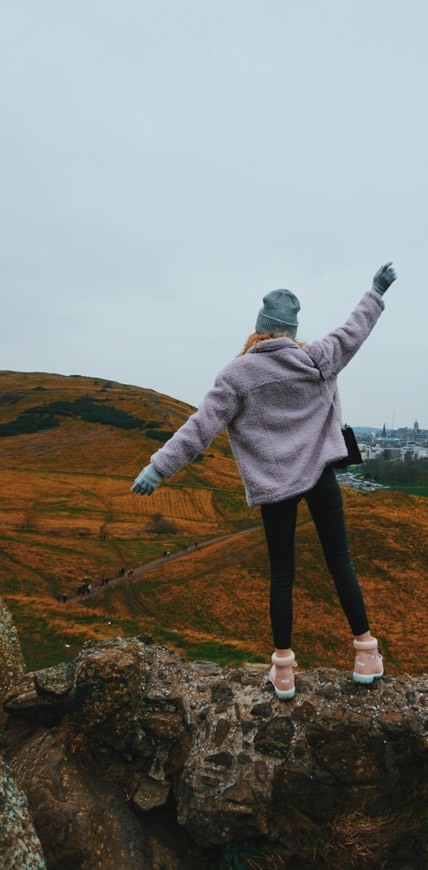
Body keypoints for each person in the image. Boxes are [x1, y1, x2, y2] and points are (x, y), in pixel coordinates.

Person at [132, 262, 397, 699]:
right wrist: (376, 291)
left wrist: (158, 467)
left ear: (259, 329)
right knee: (341, 563)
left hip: (278, 487)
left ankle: (284, 671)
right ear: (290, 331)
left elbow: (200, 428)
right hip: (323, 477)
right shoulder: (317, 358)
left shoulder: (237, 375)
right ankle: (366, 653)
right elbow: (354, 330)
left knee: (282, 575)